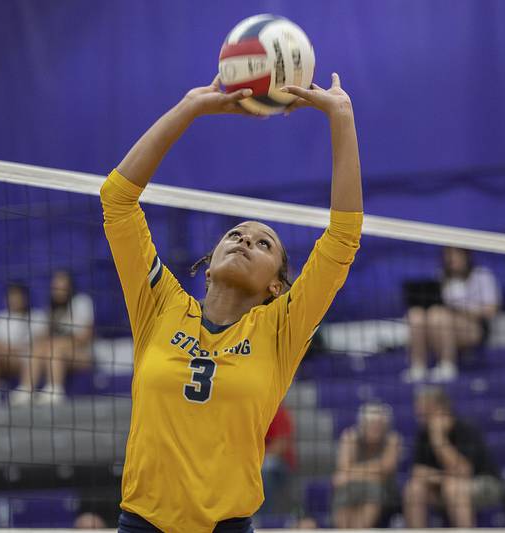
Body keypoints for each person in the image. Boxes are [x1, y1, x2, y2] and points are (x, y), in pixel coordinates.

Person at [102, 73, 362, 533]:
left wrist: (341, 118)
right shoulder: (161, 305)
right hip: (142, 524)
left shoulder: (280, 329)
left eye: (264, 244)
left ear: (276, 288)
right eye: (235, 235)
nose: (245, 241)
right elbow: (118, 200)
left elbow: (342, 239)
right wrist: (188, 109)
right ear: (208, 264)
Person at [403, 386, 503, 528]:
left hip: (484, 484)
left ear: (440, 409)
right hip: (443, 486)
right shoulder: (423, 433)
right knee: (413, 489)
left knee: (453, 488)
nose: (417, 412)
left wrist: (439, 439)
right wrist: (443, 477)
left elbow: (464, 472)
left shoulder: (465, 429)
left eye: (423, 409)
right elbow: (417, 472)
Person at [404, 247, 501, 383]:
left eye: (456, 255)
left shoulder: (482, 275)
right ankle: (418, 367)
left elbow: (491, 310)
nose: (451, 259)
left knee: (440, 315)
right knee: (416, 315)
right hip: (439, 325)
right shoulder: (441, 277)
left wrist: (460, 308)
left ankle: (447, 364)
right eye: (448, 255)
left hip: (473, 327)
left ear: (466, 256)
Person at [0, 283, 47, 406]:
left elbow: (41, 343)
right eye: (10, 297)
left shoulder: (37, 316)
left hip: (27, 361)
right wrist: (6, 349)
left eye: (17, 297)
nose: (14, 300)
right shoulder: (0, 317)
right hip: (3, 360)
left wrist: (9, 349)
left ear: (25, 298)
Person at [29, 270, 95, 405]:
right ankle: (26, 389)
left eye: (62, 285)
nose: (59, 290)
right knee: (39, 348)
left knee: (55, 348)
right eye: (56, 286)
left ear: (70, 286)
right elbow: (41, 338)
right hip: (55, 355)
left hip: (84, 354)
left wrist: (60, 342)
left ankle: (55, 390)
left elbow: (85, 337)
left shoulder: (81, 302)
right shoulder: (50, 309)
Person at [332, 402, 401, 529]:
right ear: (362, 425)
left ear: (385, 426)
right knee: (344, 491)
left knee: (373, 489)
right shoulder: (350, 437)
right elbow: (342, 468)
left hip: (385, 491)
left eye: (379, 425)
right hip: (352, 488)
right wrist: (373, 472)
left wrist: (350, 474)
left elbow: (386, 468)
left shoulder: (392, 439)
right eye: (371, 424)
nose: (375, 428)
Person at [260, 405, 297, 517]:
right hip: (259, 460)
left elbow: (281, 444)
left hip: (280, 463)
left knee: (264, 470)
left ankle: (264, 517)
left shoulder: (278, 411)